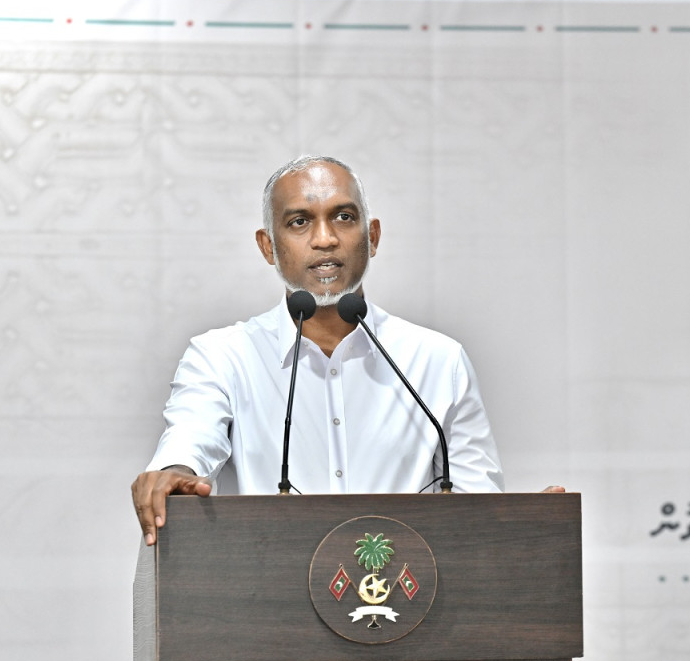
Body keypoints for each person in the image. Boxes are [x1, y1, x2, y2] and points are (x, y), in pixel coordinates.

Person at [132, 156, 547, 547]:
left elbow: (477, 504)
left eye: (344, 217)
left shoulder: (438, 361)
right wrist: (175, 472)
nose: (325, 239)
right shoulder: (222, 357)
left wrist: (527, 526)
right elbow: (190, 440)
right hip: (268, 592)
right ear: (268, 246)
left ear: (373, 236)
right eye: (299, 222)